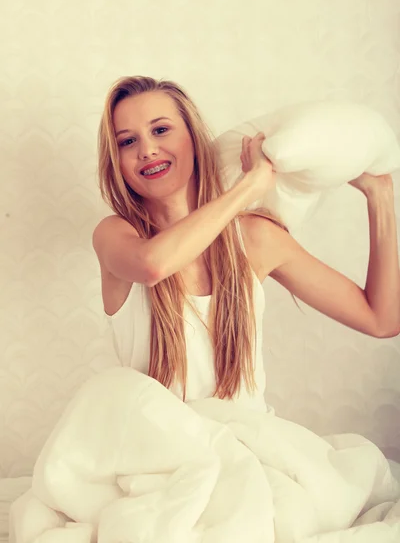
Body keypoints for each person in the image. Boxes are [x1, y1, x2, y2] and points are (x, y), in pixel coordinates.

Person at [93, 75, 400, 411]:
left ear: (193, 139)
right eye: (127, 141)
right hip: (155, 452)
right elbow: (152, 265)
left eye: (161, 130)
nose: (147, 150)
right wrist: (251, 186)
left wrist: (380, 194)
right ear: (117, 162)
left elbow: (381, 320)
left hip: (246, 448)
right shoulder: (116, 235)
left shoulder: (255, 238)